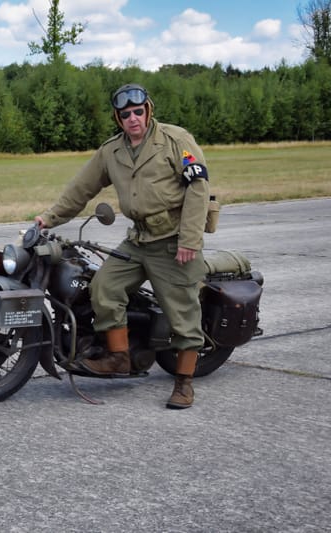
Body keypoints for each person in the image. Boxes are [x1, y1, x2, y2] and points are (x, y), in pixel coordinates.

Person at [34, 83, 210, 409]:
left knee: (182, 313)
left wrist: (189, 240)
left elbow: (198, 190)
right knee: (103, 287)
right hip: (138, 239)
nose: (133, 119)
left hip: (173, 240)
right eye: (126, 114)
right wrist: (48, 218)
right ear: (118, 118)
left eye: (138, 112)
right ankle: (120, 358)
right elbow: (80, 189)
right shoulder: (112, 151)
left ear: (148, 111)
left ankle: (184, 383)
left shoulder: (176, 141)